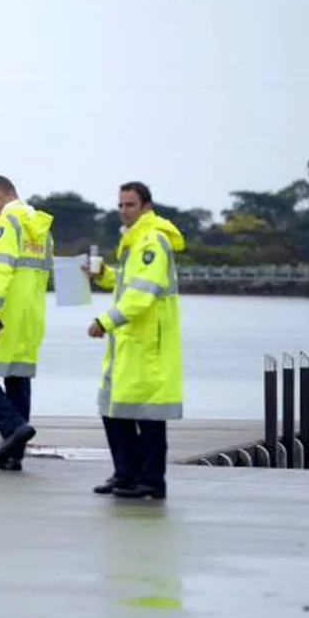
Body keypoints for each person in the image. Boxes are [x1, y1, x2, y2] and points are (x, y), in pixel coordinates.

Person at [85, 181, 185, 500]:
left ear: (146, 207)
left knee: (149, 416)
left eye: (130, 205)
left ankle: (152, 480)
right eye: (120, 205)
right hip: (130, 343)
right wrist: (103, 275)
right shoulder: (134, 240)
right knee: (114, 409)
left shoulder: (152, 241)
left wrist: (104, 321)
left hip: (148, 344)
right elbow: (128, 283)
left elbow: (141, 294)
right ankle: (126, 475)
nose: (124, 211)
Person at [0, 175, 55, 471]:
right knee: (18, 377)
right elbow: (45, 275)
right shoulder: (40, 228)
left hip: (5, 314)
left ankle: (13, 427)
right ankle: (14, 455)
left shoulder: (5, 224)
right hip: (32, 316)